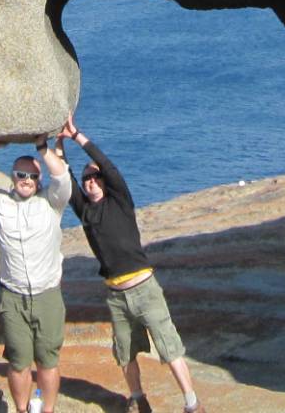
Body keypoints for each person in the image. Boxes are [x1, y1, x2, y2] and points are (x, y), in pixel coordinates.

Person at [63, 119, 204, 413]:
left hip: (144, 288)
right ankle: (138, 399)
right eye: (87, 178)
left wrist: (76, 136)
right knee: (124, 352)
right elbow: (65, 179)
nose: (91, 181)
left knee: (169, 346)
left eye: (95, 178)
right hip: (116, 295)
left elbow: (107, 165)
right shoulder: (85, 211)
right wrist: (56, 144)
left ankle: (192, 402)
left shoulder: (120, 201)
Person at [0, 123, 74, 413]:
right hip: (12, 296)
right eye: (21, 174)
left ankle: (48, 410)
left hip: (47, 294)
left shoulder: (51, 203)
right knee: (17, 361)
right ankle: (23, 409)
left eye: (32, 176)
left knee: (48, 360)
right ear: (13, 178)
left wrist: (42, 148)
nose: (26, 179)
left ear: (39, 180)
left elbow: (62, 177)